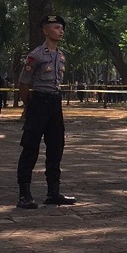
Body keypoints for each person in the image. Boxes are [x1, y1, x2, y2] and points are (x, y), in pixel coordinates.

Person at [16, 15, 76, 209]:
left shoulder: (61, 55)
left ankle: (53, 192)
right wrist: (29, 106)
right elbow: (23, 83)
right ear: (45, 30)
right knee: (30, 147)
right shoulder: (36, 55)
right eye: (57, 27)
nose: (61, 31)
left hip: (55, 103)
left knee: (56, 146)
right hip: (39, 102)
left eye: (62, 28)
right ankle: (24, 194)